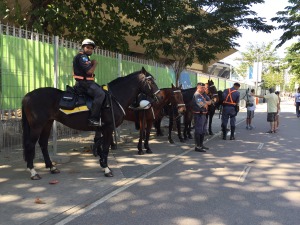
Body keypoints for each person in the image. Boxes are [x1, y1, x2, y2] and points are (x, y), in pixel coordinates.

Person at [73, 39, 105, 126]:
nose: (90, 49)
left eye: (91, 48)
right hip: (84, 84)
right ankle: (93, 119)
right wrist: (95, 63)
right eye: (88, 47)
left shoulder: (85, 57)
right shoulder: (82, 57)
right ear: (83, 47)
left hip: (86, 83)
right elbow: (89, 72)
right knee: (100, 94)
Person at [192, 82, 212, 152]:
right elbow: (203, 105)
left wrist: (206, 102)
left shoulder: (203, 95)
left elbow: (210, 102)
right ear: (198, 87)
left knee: (203, 130)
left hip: (204, 114)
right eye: (202, 88)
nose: (203, 89)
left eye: (204, 88)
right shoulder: (197, 95)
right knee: (198, 130)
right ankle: (197, 146)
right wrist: (206, 102)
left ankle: (201, 144)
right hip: (198, 115)